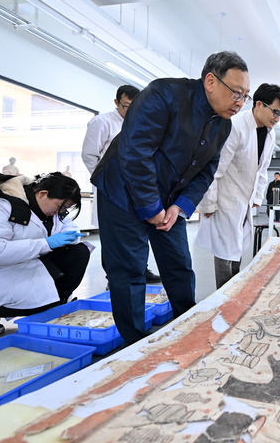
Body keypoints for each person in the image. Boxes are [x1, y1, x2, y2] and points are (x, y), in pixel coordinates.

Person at [91, 51, 250, 344]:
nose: (240, 102)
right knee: (129, 269)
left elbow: (207, 171)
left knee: (179, 264)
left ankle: (186, 328)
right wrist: (151, 207)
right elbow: (135, 153)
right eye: (236, 93)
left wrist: (180, 206)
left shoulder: (222, 125)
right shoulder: (164, 94)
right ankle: (135, 345)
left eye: (245, 96)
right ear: (211, 81)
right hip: (122, 191)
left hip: (169, 200)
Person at [0, 172, 89, 338]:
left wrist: (68, 236)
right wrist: (45, 244)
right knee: (44, 301)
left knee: (77, 253)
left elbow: (68, 227)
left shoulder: (48, 210)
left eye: (64, 209)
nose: (60, 212)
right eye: (60, 206)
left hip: (14, 264)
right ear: (43, 194)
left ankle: (58, 300)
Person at [197, 84, 280, 288]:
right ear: (259, 104)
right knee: (224, 250)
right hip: (224, 199)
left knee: (237, 247)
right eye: (275, 112)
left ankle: (233, 288)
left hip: (244, 200)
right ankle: (223, 294)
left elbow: (262, 169)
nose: (277, 118)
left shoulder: (270, 133)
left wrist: (257, 197)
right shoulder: (235, 126)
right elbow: (215, 169)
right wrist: (208, 203)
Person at [81, 84, 160, 283]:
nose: (131, 111)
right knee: (112, 236)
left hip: (135, 189)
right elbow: (89, 155)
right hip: (110, 189)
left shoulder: (141, 123)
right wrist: (107, 181)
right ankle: (113, 276)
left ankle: (141, 270)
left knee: (137, 232)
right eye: (126, 106)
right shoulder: (102, 122)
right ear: (116, 102)